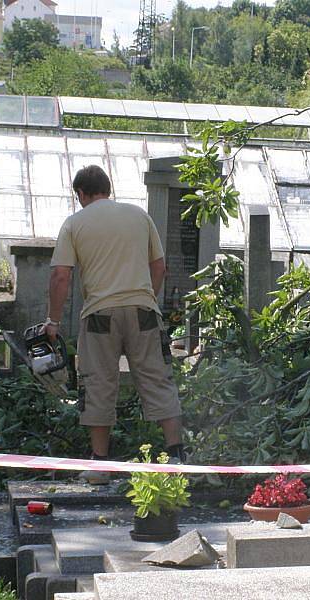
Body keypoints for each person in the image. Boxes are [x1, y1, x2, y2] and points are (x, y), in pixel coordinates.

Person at [46, 165, 184, 484]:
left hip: (99, 315)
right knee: (157, 378)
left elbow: (61, 276)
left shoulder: (74, 223)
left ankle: (100, 465)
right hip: (143, 310)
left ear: (81, 193)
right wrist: (146, 298)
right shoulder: (139, 216)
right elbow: (160, 268)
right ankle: (176, 455)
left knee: (98, 383)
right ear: (108, 189)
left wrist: (52, 320)